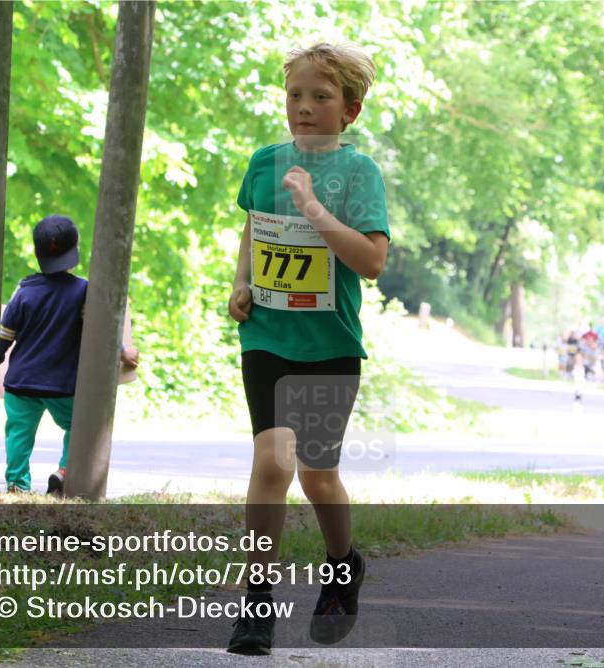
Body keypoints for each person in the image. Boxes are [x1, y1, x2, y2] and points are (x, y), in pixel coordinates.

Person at [225, 42, 389, 655]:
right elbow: (254, 227)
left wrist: (317, 210)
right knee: (273, 465)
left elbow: (372, 261)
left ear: (349, 110)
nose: (304, 106)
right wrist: (240, 282)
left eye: (320, 96)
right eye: (296, 94)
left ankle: (343, 568)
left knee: (319, 477)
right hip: (268, 337)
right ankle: (257, 603)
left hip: (330, 344)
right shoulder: (265, 162)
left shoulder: (360, 172)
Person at [0, 215, 139, 495]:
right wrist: (125, 353)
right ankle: (65, 471)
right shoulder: (85, 291)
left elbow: (3, 339)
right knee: (80, 426)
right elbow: (103, 331)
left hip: (21, 383)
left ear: (38, 254)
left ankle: (16, 483)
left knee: (18, 435)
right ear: (74, 253)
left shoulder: (24, 292)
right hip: (63, 386)